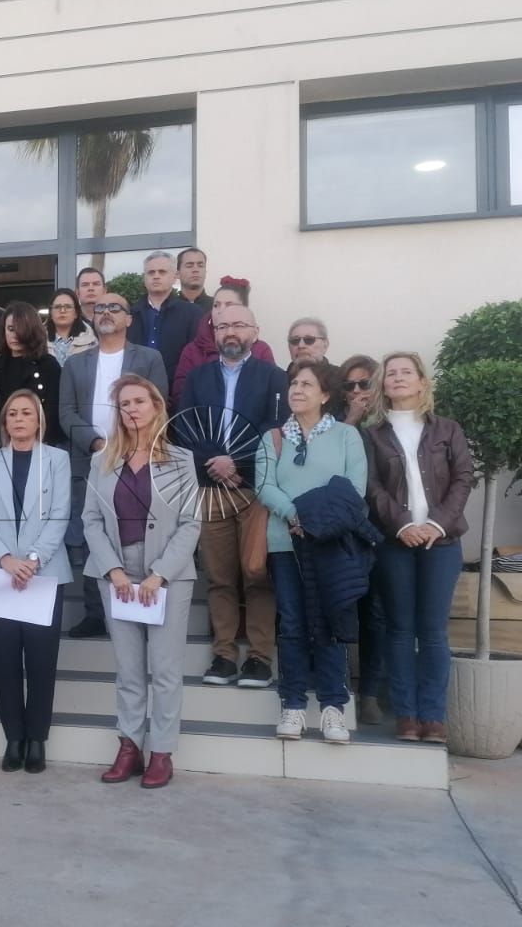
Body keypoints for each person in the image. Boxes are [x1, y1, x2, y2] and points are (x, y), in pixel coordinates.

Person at [82, 375, 199, 789]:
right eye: (123, 404)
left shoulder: (181, 459)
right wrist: (113, 570)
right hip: (116, 574)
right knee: (129, 670)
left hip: (166, 575)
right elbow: (91, 521)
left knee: (164, 670)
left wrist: (160, 574)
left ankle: (162, 752)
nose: (131, 409)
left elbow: (190, 523)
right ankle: (129, 745)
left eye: (138, 401)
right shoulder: (103, 460)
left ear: (155, 406)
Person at [255, 361, 368, 745]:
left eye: (308, 384)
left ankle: (334, 708)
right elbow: (265, 486)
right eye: (294, 383)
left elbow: (354, 489)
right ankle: (293, 705)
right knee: (292, 625)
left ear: (325, 395)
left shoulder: (346, 436)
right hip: (285, 543)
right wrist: (295, 514)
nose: (297, 389)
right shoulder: (272, 438)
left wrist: (316, 521)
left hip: (330, 544)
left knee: (331, 624)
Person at [364, 352, 474, 745]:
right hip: (395, 543)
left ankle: (433, 717)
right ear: (383, 385)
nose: (398, 378)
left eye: (405, 372)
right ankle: (406, 716)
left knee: (432, 633)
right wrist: (404, 524)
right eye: (390, 374)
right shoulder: (372, 434)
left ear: (422, 383)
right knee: (398, 630)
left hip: (442, 543)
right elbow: (372, 487)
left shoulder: (448, 430)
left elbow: (463, 478)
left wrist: (435, 523)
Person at [177, 305, 288, 689]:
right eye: (222, 326)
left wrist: (236, 463)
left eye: (239, 325)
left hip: (254, 487)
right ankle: (223, 655)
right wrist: (214, 463)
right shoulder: (198, 376)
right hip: (210, 488)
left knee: (257, 574)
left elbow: (275, 428)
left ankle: (259, 658)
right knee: (219, 576)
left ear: (255, 331)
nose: (230, 332)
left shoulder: (275, 377)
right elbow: (185, 426)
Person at [0, 390, 72, 773]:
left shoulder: (57, 460)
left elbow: (60, 514)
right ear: (4, 422)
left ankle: (37, 740)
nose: (18, 419)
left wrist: (31, 560)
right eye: (12, 413)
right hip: (0, 573)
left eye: (26, 413)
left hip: (44, 574)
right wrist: (6, 559)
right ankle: (14, 736)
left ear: (39, 420)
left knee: (42, 661)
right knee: (4, 660)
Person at [58, 292, 168, 638]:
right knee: (95, 535)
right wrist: (97, 443)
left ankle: (143, 605)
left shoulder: (149, 358)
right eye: (99, 308)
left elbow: (159, 405)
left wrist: (130, 446)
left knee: (140, 533)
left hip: (138, 459)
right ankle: (96, 612)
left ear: (129, 319)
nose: (105, 312)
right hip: (91, 459)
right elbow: (65, 412)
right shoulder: (76, 363)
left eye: (114, 308)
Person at [339, 353, 386, 724]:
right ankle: (337, 687)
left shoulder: (390, 426)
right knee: (339, 610)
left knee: (377, 616)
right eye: (350, 386)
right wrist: (351, 420)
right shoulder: (339, 426)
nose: (357, 391)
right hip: (346, 532)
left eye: (364, 384)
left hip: (385, 531)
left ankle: (369, 692)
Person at [170, 279, 277, 403]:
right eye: (216, 305)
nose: (220, 310)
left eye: (229, 304)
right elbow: (181, 395)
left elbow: (271, 395)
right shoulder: (192, 350)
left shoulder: (261, 350)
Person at [0, 301, 63, 454]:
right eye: (10, 329)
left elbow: (53, 411)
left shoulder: (48, 366)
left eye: (20, 329)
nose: (14, 335)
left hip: (40, 448)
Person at [133, 250, 204, 384]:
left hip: (177, 392)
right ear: (144, 278)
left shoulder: (193, 314)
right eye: (151, 272)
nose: (156, 276)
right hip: (136, 392)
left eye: (162, 272)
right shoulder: (131, 314)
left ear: (174, 276)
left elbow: (196, 357)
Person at [47, 286, 95, 365]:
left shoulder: (92, 341)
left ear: (76, 313)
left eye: (68, 307)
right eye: (57, 307)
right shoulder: (37, 341)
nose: (62, 311)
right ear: (51, 313)